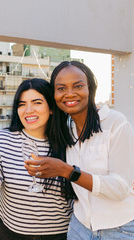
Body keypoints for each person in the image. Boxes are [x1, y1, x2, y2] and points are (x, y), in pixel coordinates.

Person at [25, 61, 134, 239]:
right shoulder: (65, 128)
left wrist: (68, 172)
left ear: (91, 88)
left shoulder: (115, 123)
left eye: (78, 86)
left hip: (119, 229)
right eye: (61, 88)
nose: (69, 94)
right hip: (79, 226)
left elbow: (120, 188)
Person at [0, 78, 74, 240]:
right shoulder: (2, 139)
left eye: (37, 103)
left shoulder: (69, 142)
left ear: (51, 108)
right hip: (12, 233)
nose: (28, 110)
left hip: (59, 234)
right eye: (22, 104)